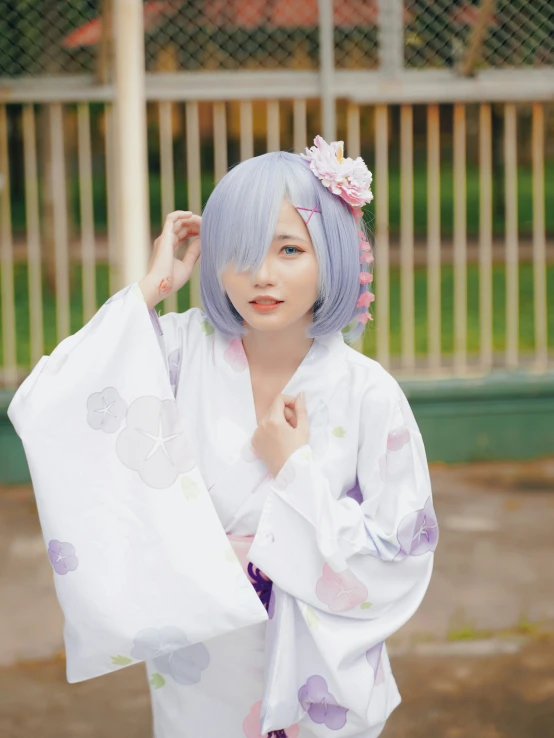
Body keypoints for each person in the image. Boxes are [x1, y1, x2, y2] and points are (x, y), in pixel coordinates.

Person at [8, 137, 438, 738]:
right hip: (203, 660)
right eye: (238, 251)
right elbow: (51, 395)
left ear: (332, 254)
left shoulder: (368, 392)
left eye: (290, 249)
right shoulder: (179, 352)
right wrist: (154, 287)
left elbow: (403, 551)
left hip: (320, 669)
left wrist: (295, 474)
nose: (261, 275)